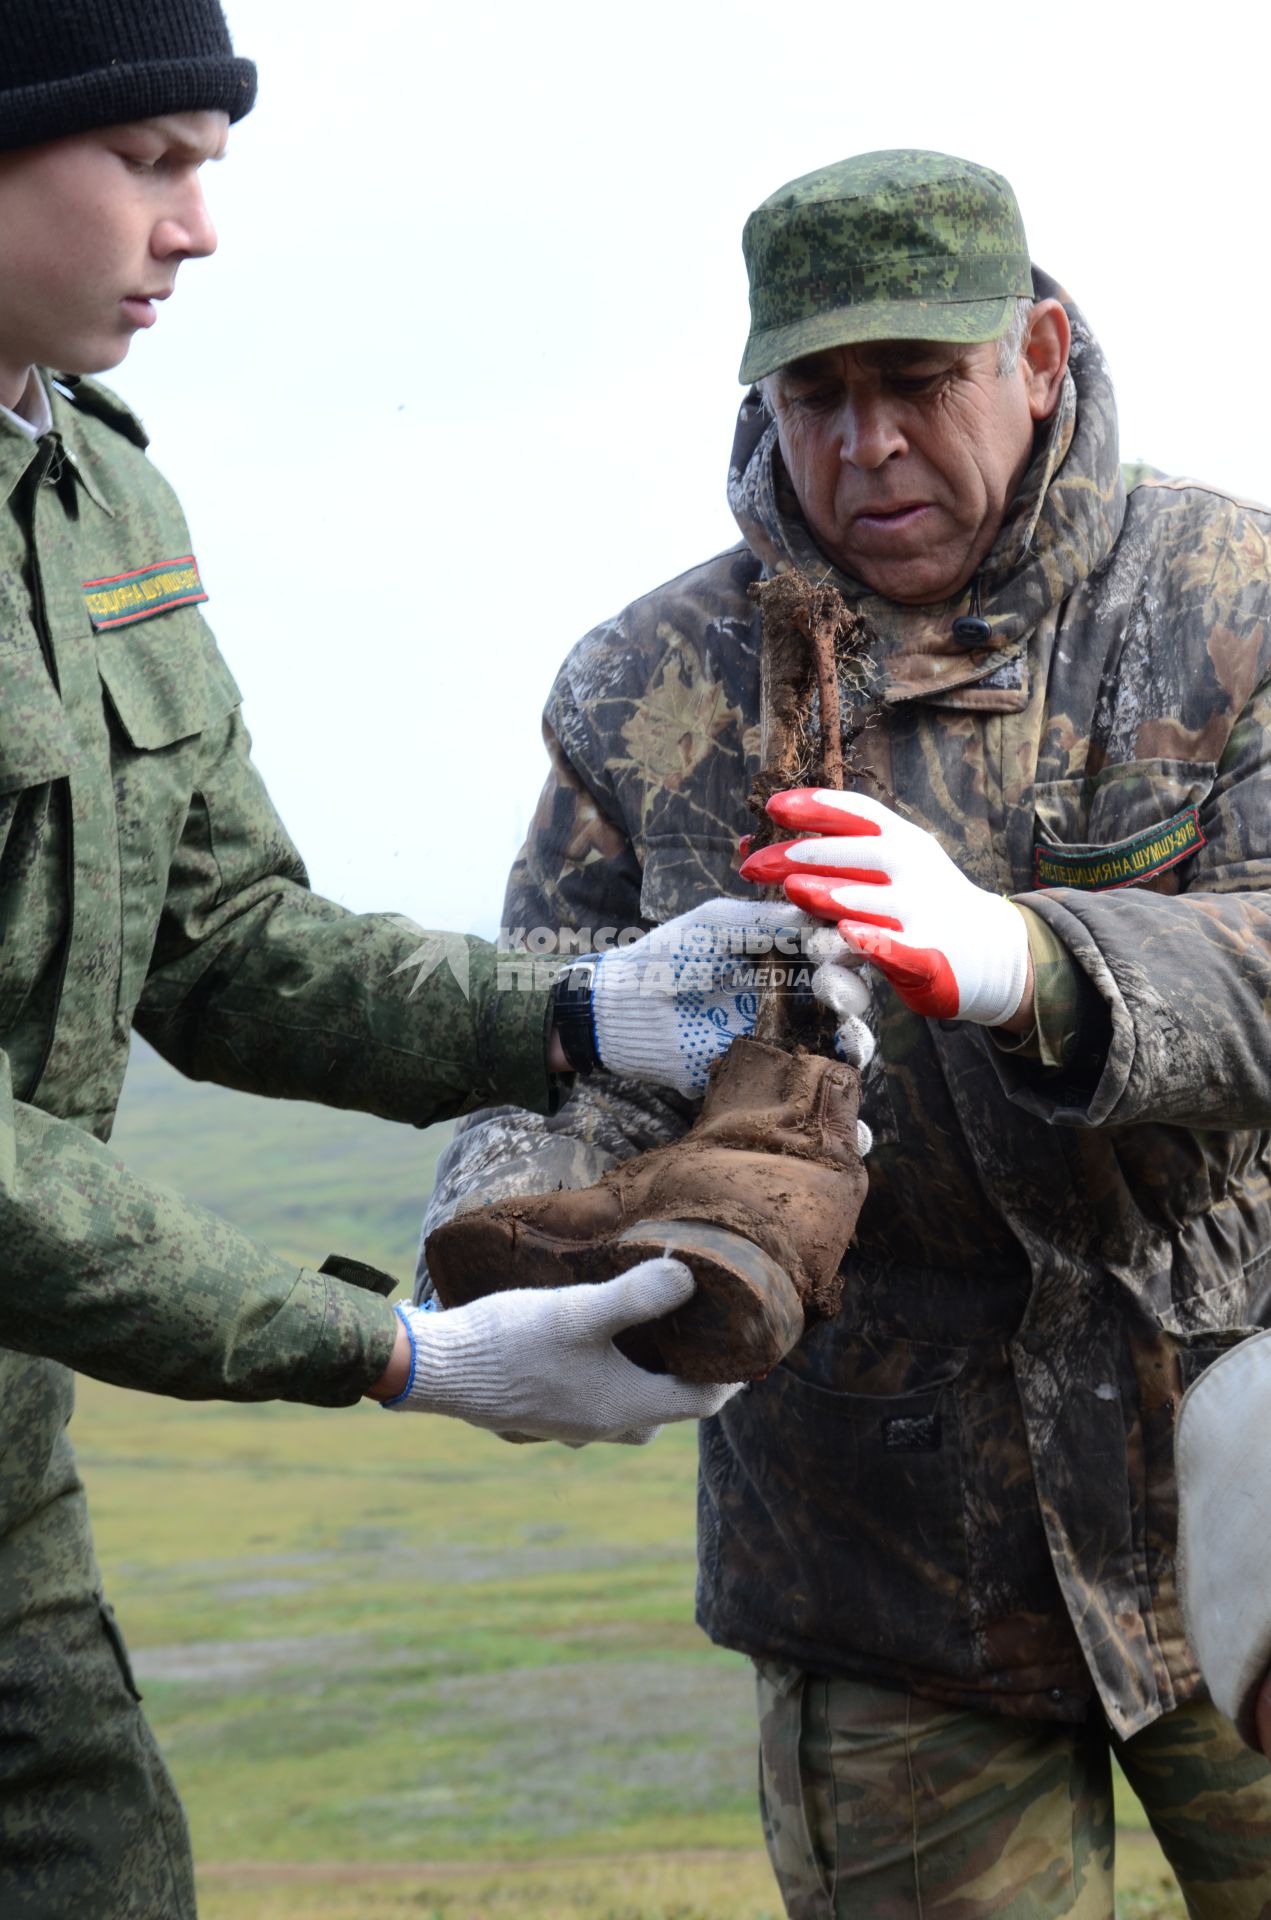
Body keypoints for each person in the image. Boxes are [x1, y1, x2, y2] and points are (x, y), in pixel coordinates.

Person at [0, 4, 792, 1911]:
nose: (198, 228)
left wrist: (578, 1007)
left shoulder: (102, 491)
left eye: (210, 166)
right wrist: (397, 1354)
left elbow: (220, 938)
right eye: (154, 159)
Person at [419, 148, 1271, 1914]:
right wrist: (515, 1254)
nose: (867, 446)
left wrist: (1036, 960)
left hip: (1244, 1508)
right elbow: (551, 1026)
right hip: (876, 1559)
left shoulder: (1237, 609)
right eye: (817, 395)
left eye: (917, 384)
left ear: (1037, 354)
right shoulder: (647, 688)